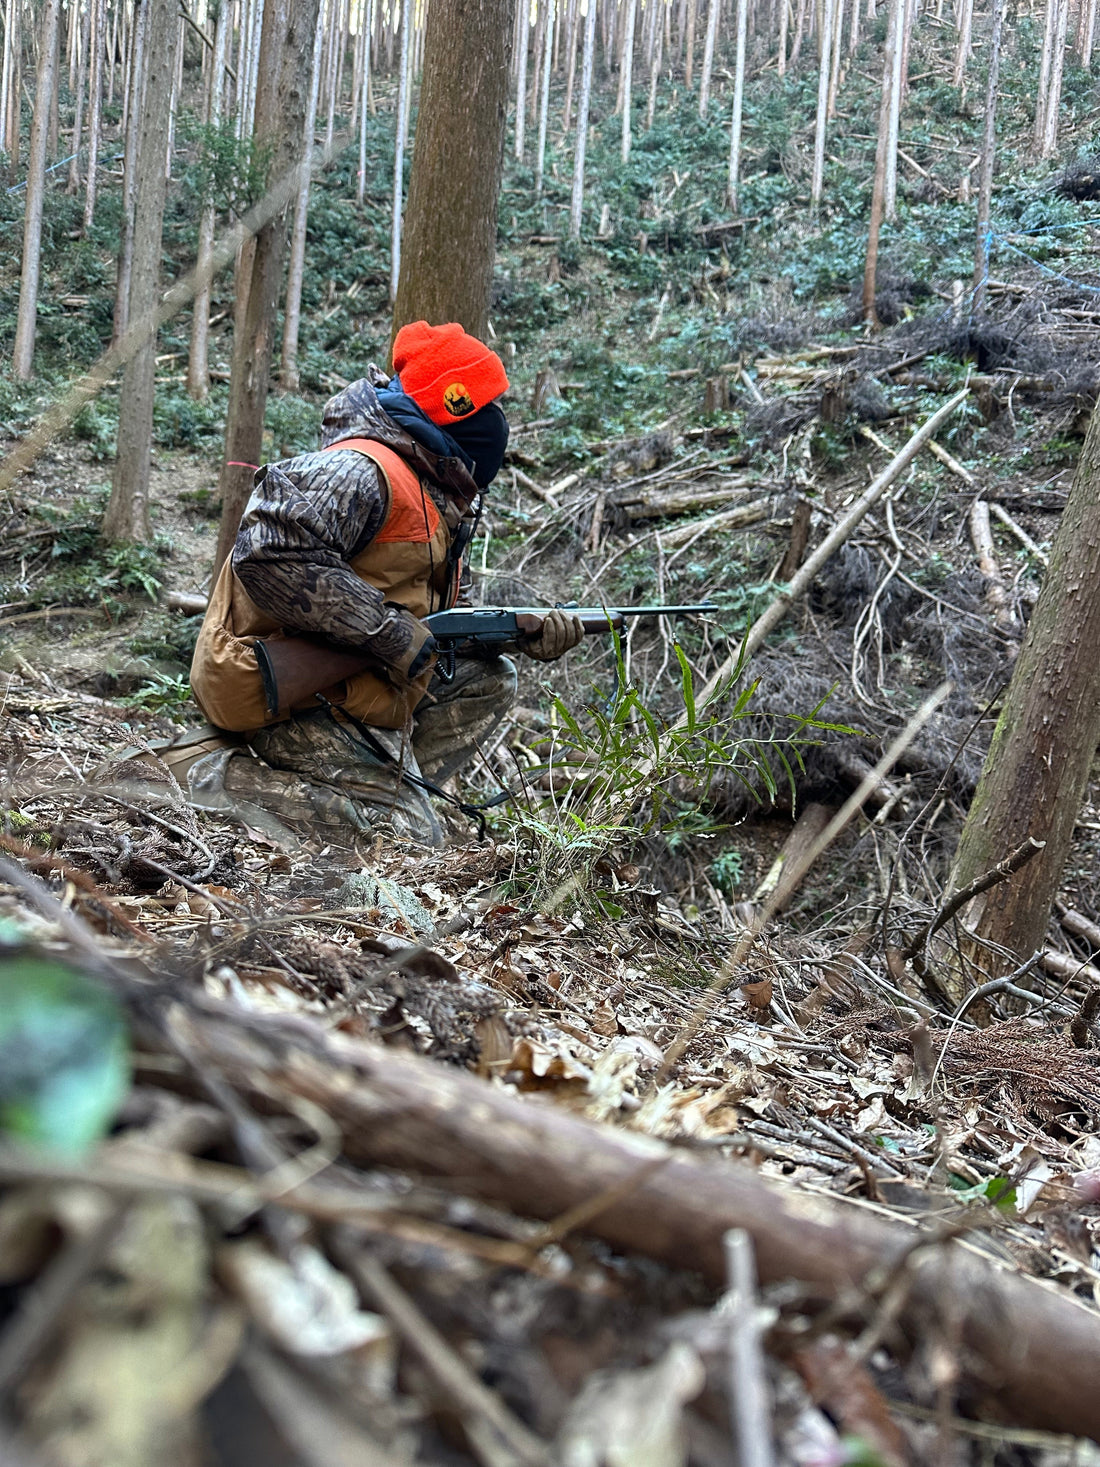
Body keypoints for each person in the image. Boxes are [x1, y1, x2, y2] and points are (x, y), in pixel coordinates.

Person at [179, 321, 584, 847]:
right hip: (281, 687)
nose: (496, 423)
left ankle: (379, 789)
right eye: (485, 407)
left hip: (356, 685)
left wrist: (517, 634)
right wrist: (389, 634)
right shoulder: (361, 469)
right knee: (402, 842)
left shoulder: (433, 488)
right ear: (452, 409)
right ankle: (199, 776)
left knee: (489, 677)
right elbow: (268, 551)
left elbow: (428, 614)